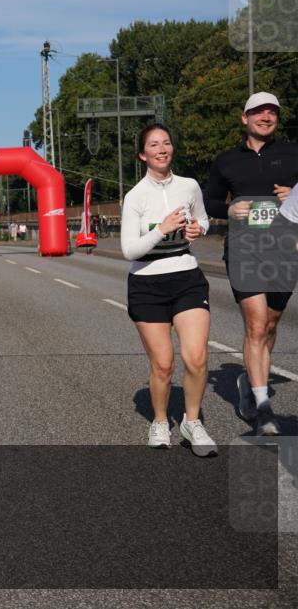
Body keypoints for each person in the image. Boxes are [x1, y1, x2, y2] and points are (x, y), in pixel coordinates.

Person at [204, 92, 298, 436]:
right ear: (244, 118)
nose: (266, 116)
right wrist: (227, 210)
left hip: (285, 250)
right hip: (245, 249)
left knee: (271, 326)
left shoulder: (292, 153)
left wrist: (296, 193)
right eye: (258, 112)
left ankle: (249, 379)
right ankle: (262, 407)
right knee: (256, 326)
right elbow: (208, 199)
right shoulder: (227, 161)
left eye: (272, 112)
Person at [122, 124, 215, 456]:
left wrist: (196, 229)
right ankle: (160, 421)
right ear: (143, 155)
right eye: (153, 145)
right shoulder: (135, 197)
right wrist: (162, 229)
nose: (162, 149)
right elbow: (129, 250)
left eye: (166, 143)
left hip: (186, 277)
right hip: (147, 284)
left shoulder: (189, 186)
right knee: (163, 364)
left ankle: (192, 422)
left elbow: (204, 220)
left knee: (197, 356)